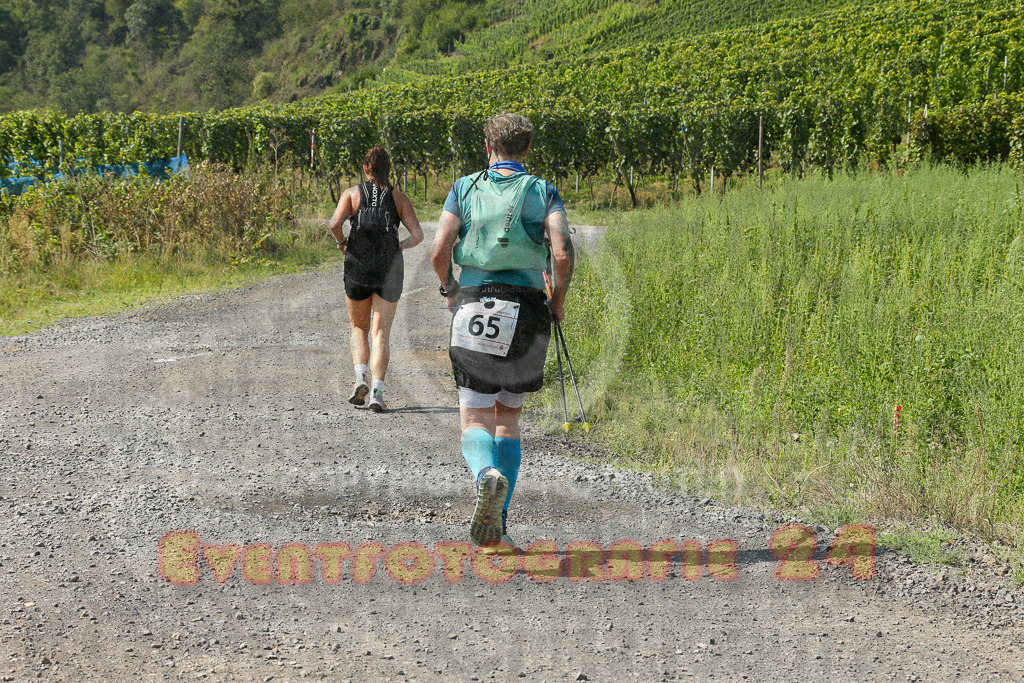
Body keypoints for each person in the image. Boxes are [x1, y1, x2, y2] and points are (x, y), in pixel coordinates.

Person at [430, 112, 574, 546]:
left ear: (487, 147)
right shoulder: (543, 191)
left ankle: (484, 475)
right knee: (508, 418)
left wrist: (450, 289)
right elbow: (562, 254)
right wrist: (558, 302)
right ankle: (502, 523)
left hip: (476, 299)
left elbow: (439, 249)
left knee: (474, 413)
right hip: (529, 307)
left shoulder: (465, 187)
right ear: (527, 150)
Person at [329, 146, 423, 412]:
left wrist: (342, 243)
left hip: (358, 265)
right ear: (389, 169)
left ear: (365, 169)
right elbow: (418, 235)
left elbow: (335, 224)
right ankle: (377, 393)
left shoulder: (351, 193)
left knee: (359, 327)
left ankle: (360, 379)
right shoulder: (399, 197)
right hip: (388, 269)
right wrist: (399, 247)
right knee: (381, 332)